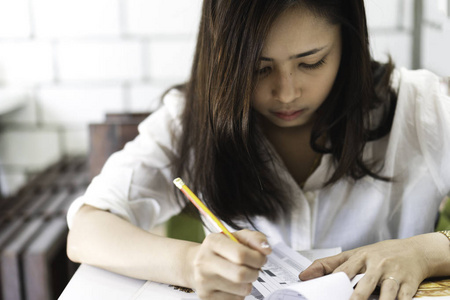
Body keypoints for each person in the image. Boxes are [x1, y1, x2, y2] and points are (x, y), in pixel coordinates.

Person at [66, 0, 450, 299]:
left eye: (311, 62)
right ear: (223, 59)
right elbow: (86, 230)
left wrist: (425, 252)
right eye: (258, 68)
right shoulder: (191, 120)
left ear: (348, 43)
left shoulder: (419, 107)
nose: (286, 93)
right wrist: (189, 262)